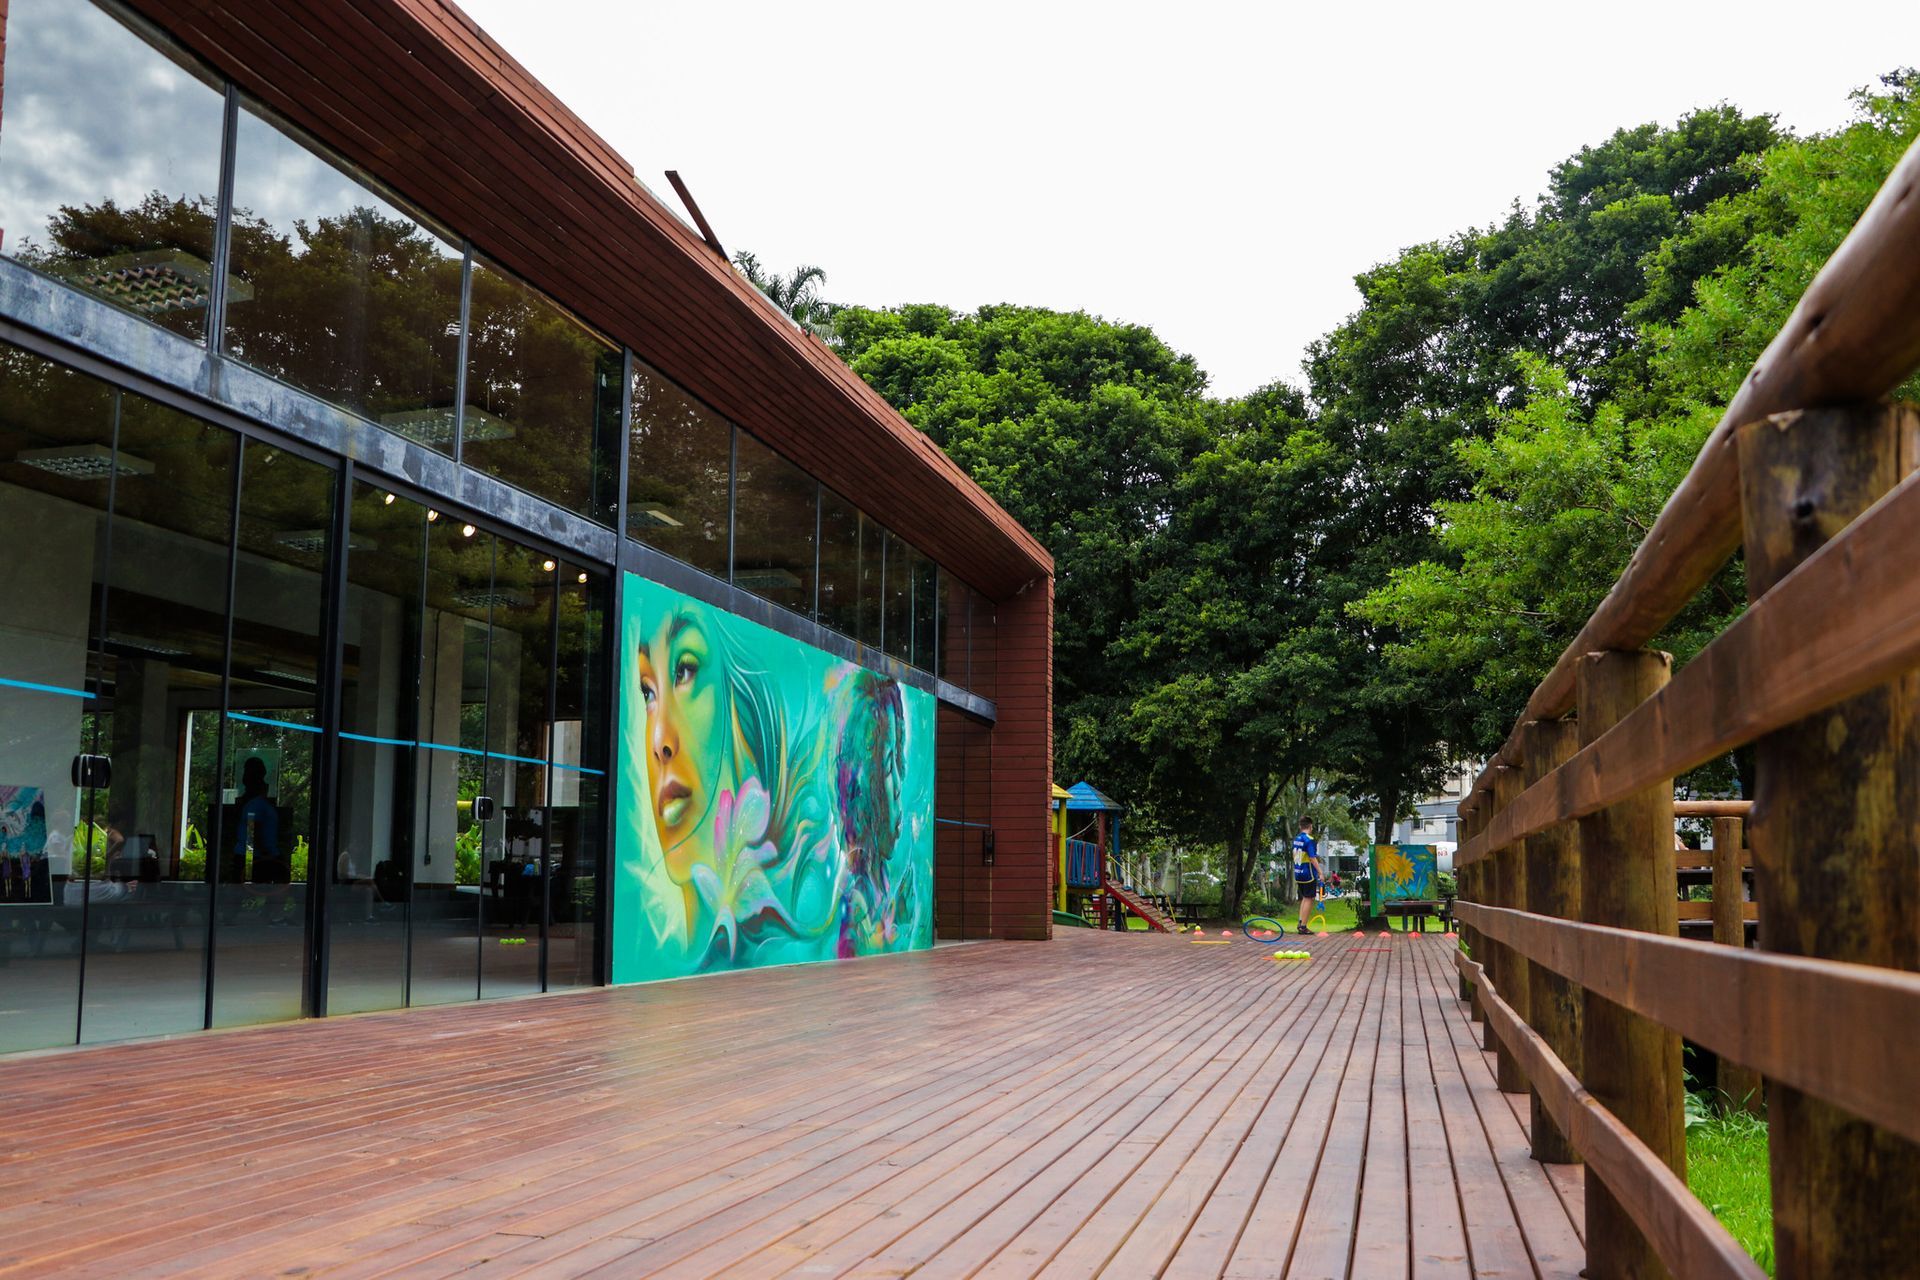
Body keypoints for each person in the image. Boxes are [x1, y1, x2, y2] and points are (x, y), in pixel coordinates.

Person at [1291, 818, 1322, 934]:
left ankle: (1300, 922)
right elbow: (1312, 857)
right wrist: (1320, 872)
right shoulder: (1309, 840)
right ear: (1310, 826)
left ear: (1300, 826)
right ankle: (1303, 926)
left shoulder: (1297, 839)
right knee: (1310, 898)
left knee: (1304, 897)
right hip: (1308, 872)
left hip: (1298, 872)